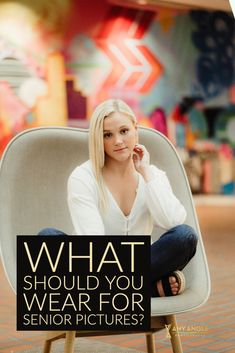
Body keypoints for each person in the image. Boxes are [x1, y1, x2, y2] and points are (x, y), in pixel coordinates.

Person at [39, 99, 198, 297]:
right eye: (107, 135)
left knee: (185, 236)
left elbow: (173, 221)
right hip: (93, 265)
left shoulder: (153, 175)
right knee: (48, 238)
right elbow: (93, 244)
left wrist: (146, 173)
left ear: (135, 129)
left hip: (134, 265)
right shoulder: (83, 177)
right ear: (98, 139)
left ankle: (108, 293)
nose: (118, 141)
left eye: (124, 131)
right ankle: (147, 290)